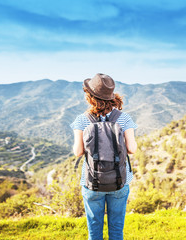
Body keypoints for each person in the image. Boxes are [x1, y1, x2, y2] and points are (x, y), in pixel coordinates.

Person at [70, 73, 137, 240]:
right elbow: (132, 149)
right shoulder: (124, 118)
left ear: (90, 96)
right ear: (111, 96)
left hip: (92, 182)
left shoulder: (82, 120)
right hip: (120, 181)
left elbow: (78, 152)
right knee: (116, 230)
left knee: (94, 231)